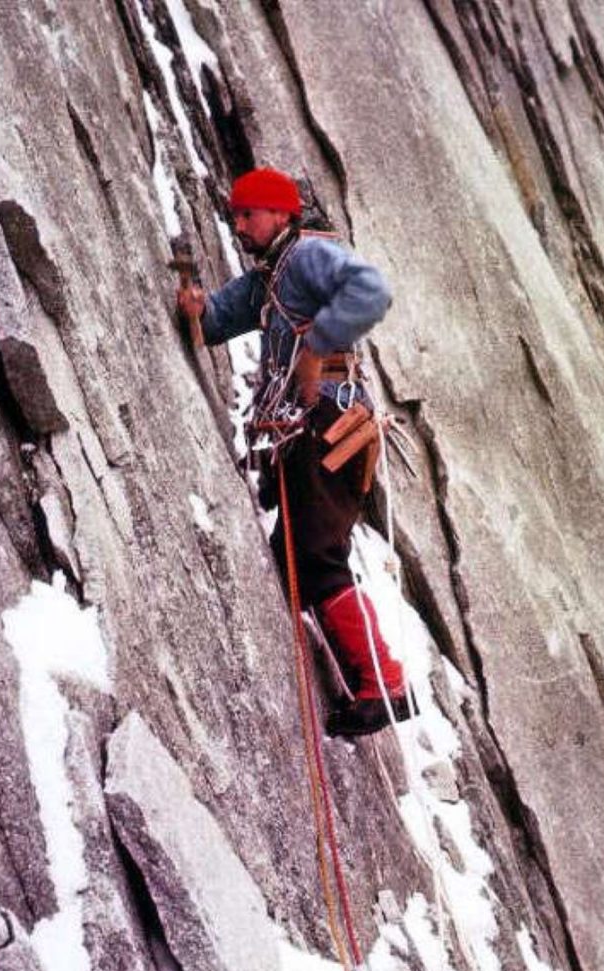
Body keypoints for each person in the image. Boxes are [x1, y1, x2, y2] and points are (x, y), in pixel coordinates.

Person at [177, 166, 412, 736]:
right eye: (234, 215)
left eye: (248, 214)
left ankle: (385, 685)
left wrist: (319, 342)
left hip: (330, 424)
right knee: (298, 562)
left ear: (281, 214)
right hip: (309, 432)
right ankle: (370, 685)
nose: (239, 224)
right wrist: (196, 310)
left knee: (315, 555)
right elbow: (216, 322)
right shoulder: (267, 277)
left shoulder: (307, 258)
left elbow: (370, 290)